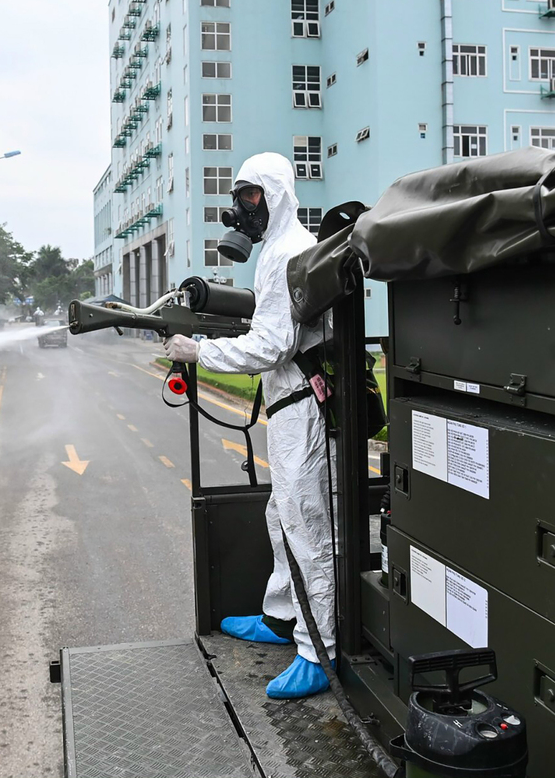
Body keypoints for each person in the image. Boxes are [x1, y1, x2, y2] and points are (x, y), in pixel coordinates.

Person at [164, 152, 335, 700]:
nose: (243, 207)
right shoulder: (275, 253)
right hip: (289, 406)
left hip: (305, 409)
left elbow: (272, 344)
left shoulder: (289, 252)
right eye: (240, 195)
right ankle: (283, 618)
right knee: (280, 515)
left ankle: (318, 650)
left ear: (277, 194)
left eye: (252, 195)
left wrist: (200, 351)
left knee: (307, 527)